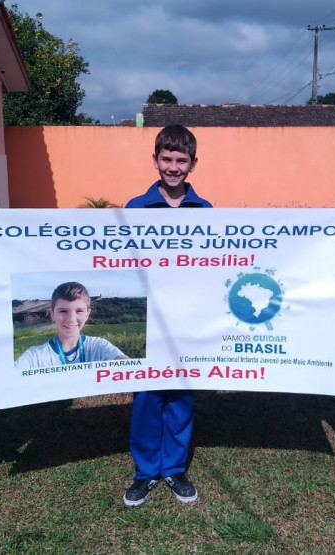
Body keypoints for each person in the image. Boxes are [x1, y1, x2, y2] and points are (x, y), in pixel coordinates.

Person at [122, 124, 212, 507]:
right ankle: (145, 472)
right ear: (155, 159)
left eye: (181, 160)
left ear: (193, 164)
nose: (173, 167)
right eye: (166, 159)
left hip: (186, 319)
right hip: (147, 318)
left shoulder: (205, 210)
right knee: (146, 395)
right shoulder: (135, 208)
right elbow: (120, 263)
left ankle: (174, 467)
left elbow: (213, 264)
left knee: (179, 394)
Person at [14, 282, 128, 369]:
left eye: (79, 311)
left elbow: (127, 365)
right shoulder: (34, 357)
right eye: (63, 311)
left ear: (87, 314)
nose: (71, 319)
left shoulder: (100, 347)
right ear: (52, 314)